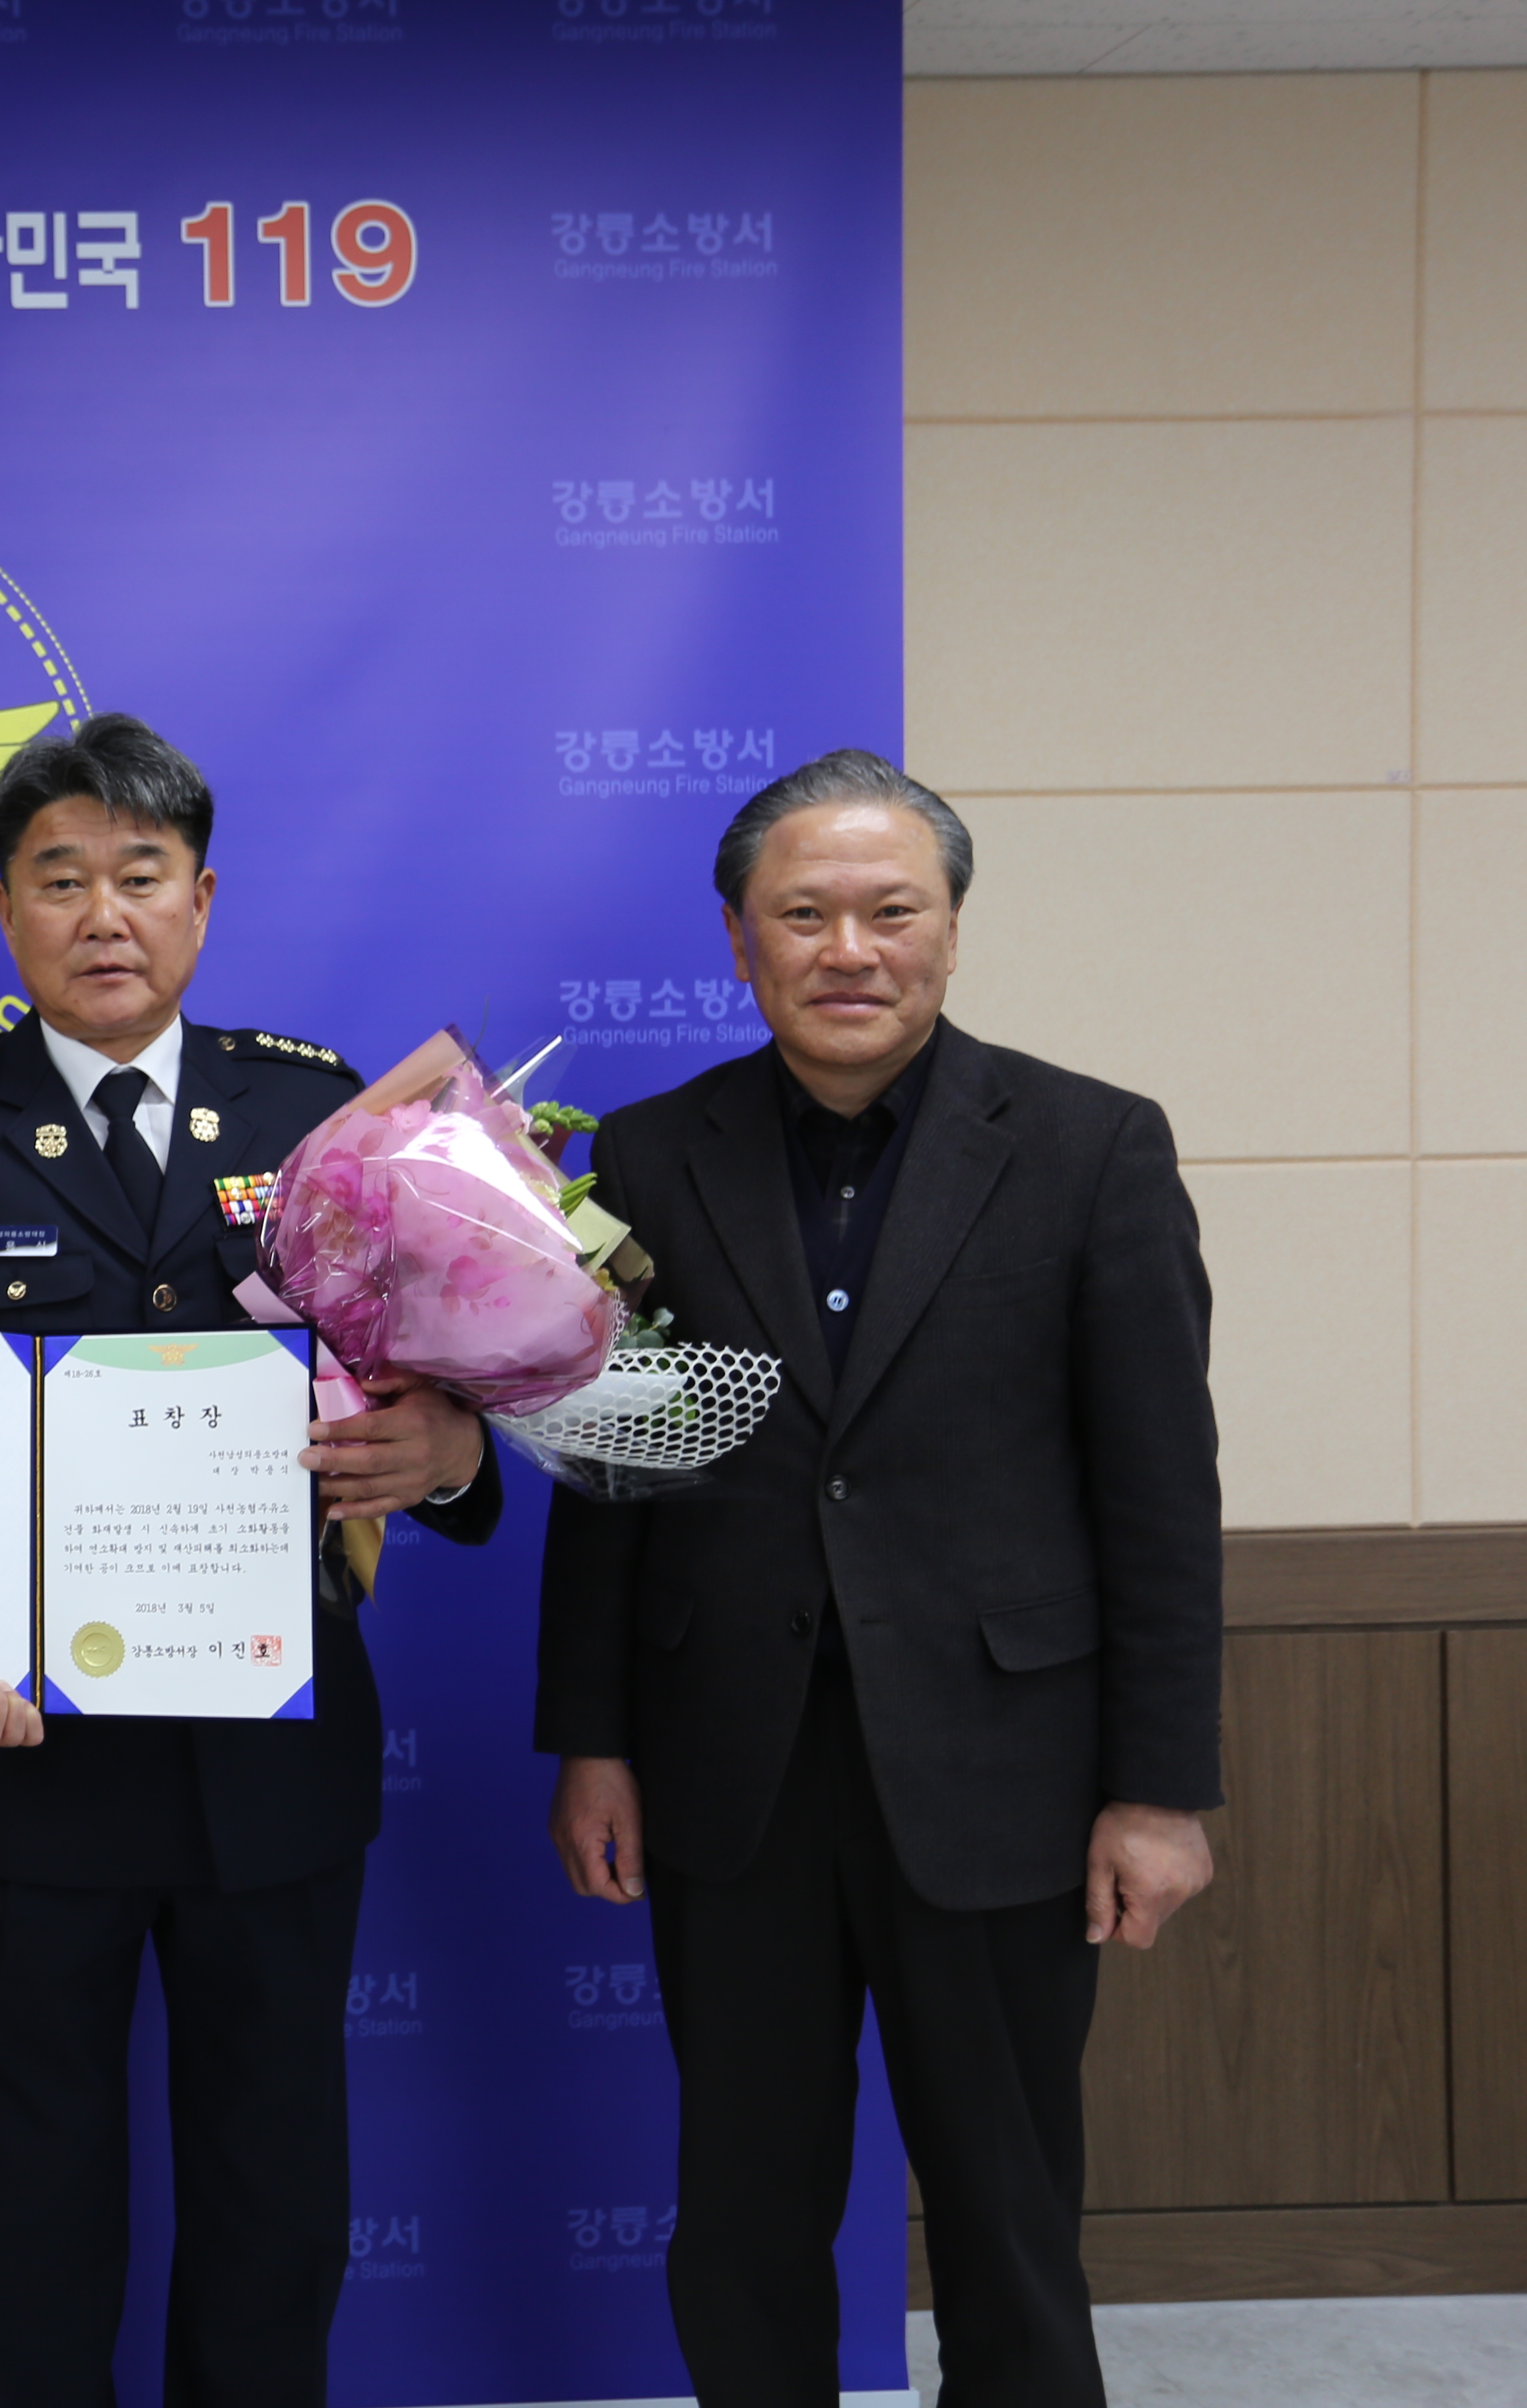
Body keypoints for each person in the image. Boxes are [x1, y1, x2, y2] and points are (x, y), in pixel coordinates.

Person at [0, 714, 500, 2406]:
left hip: (275, 1754)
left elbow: (435, 1390)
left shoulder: (323, 1110)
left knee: (276, 2183)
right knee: (28, 2190)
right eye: (61, 880)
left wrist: (451, 1452)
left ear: (203, 900)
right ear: (3, 910)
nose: (104, 914)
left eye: (142, 875)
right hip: (24, 1750)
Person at [537, 750, 1222, 2408]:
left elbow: (1159, 1496)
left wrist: (1159, 1792)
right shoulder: (649, 1154)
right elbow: (612, 1478)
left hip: (1003, 1771)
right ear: (738, 938)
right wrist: (595, 1742)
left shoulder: (1091, 1147)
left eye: (890, 911)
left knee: (1007, 2209)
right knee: (745, 2206)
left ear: (952, 930)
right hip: (732, 1766)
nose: (849, 949)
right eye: (804, 914)